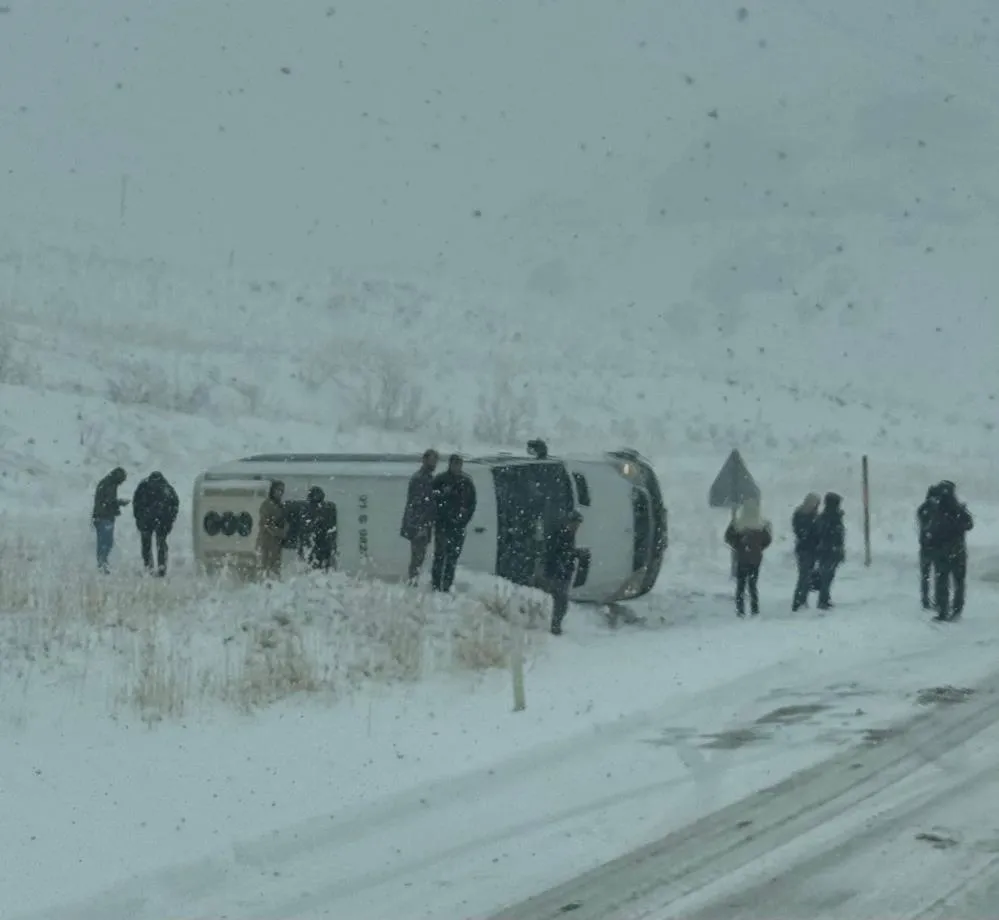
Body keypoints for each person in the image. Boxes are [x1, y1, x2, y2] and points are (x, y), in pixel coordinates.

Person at [925, 480, 973, 622]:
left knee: (942, 582)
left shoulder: (938, 511)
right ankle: (956, 608)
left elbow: (932, 532)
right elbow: (969, 524)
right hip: (957, 551)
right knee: (958, 582)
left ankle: (944, 610)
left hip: (943, 553)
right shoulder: (958, 510)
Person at [430, 454, 477, 592]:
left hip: (458, 526)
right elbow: (432, 499)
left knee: (453, 557)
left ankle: (447, 584)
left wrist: (463, 520)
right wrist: (442, 498)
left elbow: (472, 504)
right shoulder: (440, 480)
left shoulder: (466, 482)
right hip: (443, 524)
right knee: (440, 555)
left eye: (459, 464)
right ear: (450, 464)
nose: (457, 467)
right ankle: (436, 584)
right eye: (454, 464)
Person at [724, 497, 773, 617]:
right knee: (753, 584)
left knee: (740, 585)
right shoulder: (762, 524)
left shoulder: (738, 523)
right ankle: (754, 609)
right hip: (755, 558)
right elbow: (767, 540)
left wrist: (738, 546)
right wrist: (758, 548)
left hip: (742, 557)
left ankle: (740, 609)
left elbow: (728, 537)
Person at [400, 449, 439, 584]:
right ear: (425, 460)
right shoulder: (420, 478)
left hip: (423, 523)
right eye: (432, 460)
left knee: (419, 556)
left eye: (435, 461)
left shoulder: (428, 478)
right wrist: (419, 525)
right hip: (419, 524)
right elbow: (416, 504)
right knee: (417, 556)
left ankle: (414, 580)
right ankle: (413, 581)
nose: (434, 463)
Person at [132, 471, 180, 576]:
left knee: (146, 545)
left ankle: (148, 567)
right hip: (162, 521)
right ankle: (161, 567)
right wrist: (170, 519)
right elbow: (175, 504)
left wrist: (139, 518)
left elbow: (136, 504)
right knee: (161, 544)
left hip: (147, 521)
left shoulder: (143, 487)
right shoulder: (167, 488)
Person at [544, 510, 583, 635]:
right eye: (575, 524)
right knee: (560, 601)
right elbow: (557, 554)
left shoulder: (569, 535)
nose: (576, 527)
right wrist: (574, 554)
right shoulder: (561, 535)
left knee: (561, 602)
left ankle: (556, 625)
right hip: (557, 573)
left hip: (563, 572)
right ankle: (555, 627)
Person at [92, 466, 129, 573]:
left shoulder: (107, 483)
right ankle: (102, 564)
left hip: (101, 516)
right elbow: (109, 501)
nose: (121, 483)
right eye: (122, 480)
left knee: (104, 542)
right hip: (104, 517)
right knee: (106, 542)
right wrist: (120, 502)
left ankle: (102, 563)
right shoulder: (109, 485)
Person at [814, 492, 845, 610]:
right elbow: (828, 534)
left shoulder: (828, 517)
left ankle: (825, 598)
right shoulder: (828, 517)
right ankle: (823, 600)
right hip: (828, 550)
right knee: (827, 576)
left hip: (830, 550)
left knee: (828, 576)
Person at [791, 492, 821, 611]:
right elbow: (803, 532)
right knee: (804, 576)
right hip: (806, 549)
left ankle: (802, 600)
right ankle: (799, 601)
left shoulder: (803, 514)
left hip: (808, 548)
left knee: (806, 576)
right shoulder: (804, 516)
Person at [299, 486, 337, 571]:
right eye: (316, 495)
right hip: (312, 541)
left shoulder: (327, 508)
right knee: (311, 565)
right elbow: (305, 526)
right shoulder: (306, 508)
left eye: (319, 495)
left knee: (324, 565)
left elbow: (331, 526)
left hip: (324, 542)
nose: (317, 497)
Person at [916, 484, 943, 610]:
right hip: (933, 546)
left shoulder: (924, 508)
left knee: (928, 576)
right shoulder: (934, 509)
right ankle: (932, 600)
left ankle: (928, 600)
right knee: (934, 575)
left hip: (928, 546)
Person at [256, 480, 289, 579]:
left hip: (276, 544)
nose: (280, 493)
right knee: (265, 569)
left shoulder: (279, 505)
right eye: (278, 490)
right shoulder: (267, 505)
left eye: (282, 491)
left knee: (275, 569)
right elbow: (267, 524)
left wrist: (286, 528)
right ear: (272, 490)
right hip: (266, 542)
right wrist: (281, 532)